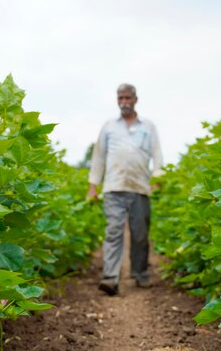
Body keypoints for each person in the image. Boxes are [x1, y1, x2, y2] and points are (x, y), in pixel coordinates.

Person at [87, 83, 163, 296]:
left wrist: (157, 178)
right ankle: (110, 277)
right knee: (113, 231)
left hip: (140, 187)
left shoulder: (148, 126)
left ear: (135, 99)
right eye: (120, 98)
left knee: (140, 234)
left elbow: (157, 154)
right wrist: (93, 185)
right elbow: (99, 156)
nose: (124, 102)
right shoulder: (109, 126)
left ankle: (140, 273)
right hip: (113, 187)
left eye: (127, 98)